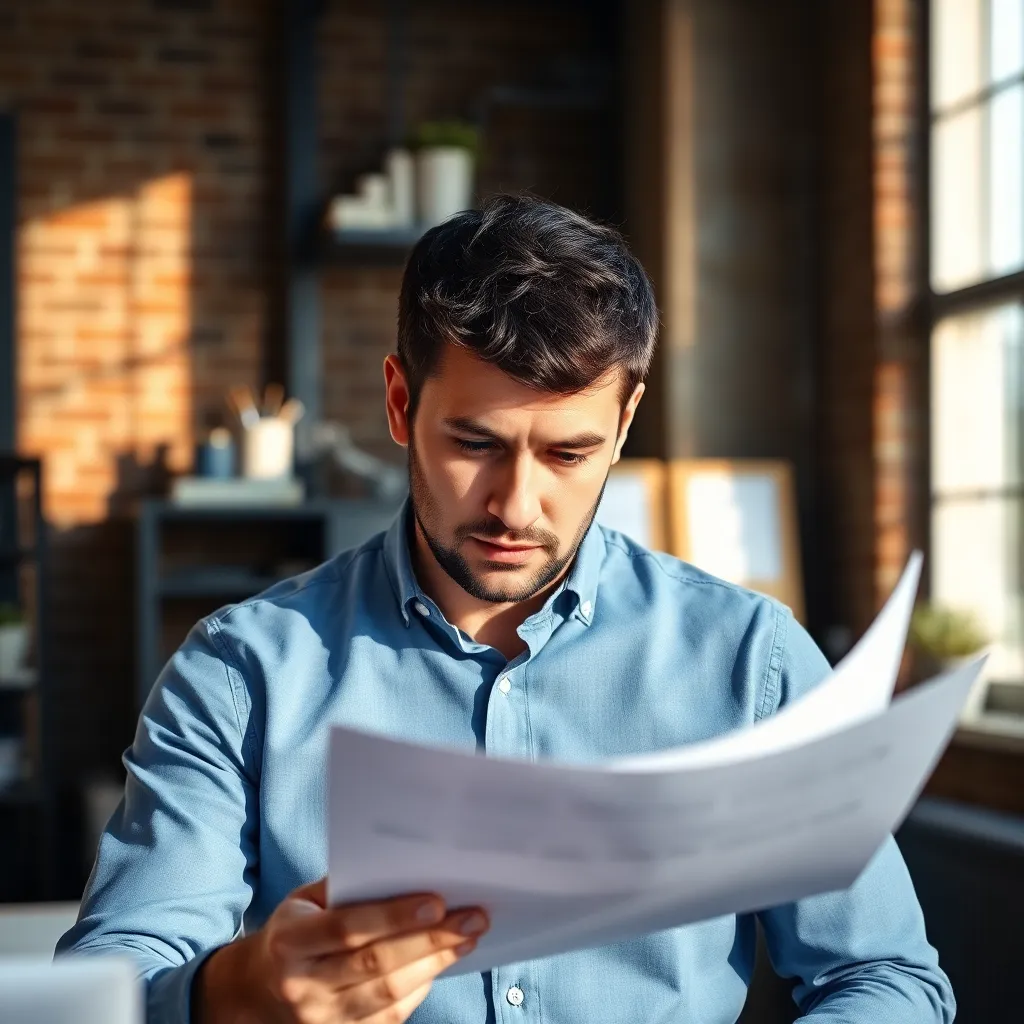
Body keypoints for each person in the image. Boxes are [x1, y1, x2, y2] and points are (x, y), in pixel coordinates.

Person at [58, 195, 955, 1024]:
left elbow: (881, 975)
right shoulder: (240, 672)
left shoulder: (751, 664)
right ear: (402, 403)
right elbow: (116, 973)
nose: (516, 506)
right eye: (476, 444)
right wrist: (236, 992)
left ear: (626, 424)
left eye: (568, 455)